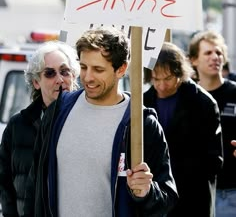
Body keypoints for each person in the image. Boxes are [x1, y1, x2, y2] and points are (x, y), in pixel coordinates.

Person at [24, 26, 178, 217]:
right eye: (83, 67)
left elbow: (167, 199)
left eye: (98, 69)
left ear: (121, 69)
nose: (88, 77)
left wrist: (146, 191)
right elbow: (35, 184)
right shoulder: (58, 111)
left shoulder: (142, 124)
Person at [0, 40, 80, 217]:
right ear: (36, 82)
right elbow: (5, 185)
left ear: (73, 76)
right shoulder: (17, 126)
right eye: (50, 73)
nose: (59, 79)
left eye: (65, 71)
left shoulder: (87, 121)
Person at [143, 41, 223, 217]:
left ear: (180, 73)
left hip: (193, 198)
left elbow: (214, 159)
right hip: (155, 196)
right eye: (156, 79)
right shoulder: (142, 103)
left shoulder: (203, 103)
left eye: (168, 78)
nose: (162, 85)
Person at [188, 30, 236, 217]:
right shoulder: (188, 98)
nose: (215, 57)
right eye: (208, 53)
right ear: (193, 60)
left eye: (218, 53)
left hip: (231, 191)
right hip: (197, 192)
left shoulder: (234, 92)